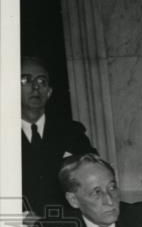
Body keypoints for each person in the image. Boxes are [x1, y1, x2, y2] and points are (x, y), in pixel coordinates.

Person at [21, 56, 96, 217]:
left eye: (42, 81)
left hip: (65, 225)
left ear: (49, 92)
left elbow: (92, 176)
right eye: (25, 80)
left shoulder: (71, 131)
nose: (35, 87)